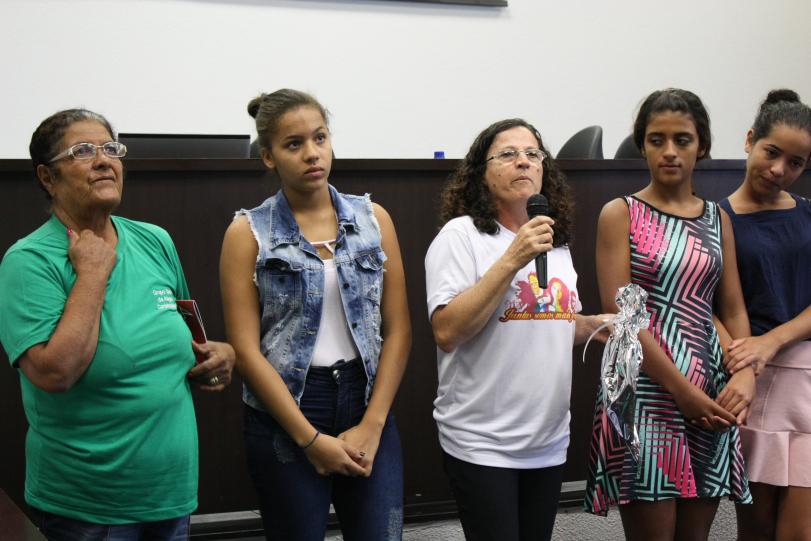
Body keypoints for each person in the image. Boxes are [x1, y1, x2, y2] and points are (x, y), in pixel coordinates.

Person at [0, 109, 235, 540]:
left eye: (111, 149)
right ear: (47, 177)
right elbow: (56, 373)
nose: (104, 160)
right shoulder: (28, 261)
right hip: (89, 508)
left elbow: (187, 334)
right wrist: (91, 275)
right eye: (82, 151)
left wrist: (219, 355)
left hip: (171, 495)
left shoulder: (155, 240)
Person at [219, 89, 411, 541]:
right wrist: (308, 438)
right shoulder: (247, 233)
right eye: (294, 144)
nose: (312, 153)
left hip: (366, 402)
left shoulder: (374, 219)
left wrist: (373, 424)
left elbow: (399, 329)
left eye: (320, 138)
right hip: (288, 410)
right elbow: (246, 351)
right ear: (268, 156)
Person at [424, 118, 610, 541]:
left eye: (532, 154)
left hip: (547, 441)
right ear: (482, 173)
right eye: (508, 154)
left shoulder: (555, 243)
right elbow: (447, 332)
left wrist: (597, 326)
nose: (523, 162)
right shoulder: (461, 236)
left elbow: (551, 323)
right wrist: (513, 258)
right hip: (483, 443)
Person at [584, 88, 756, 540]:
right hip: (646, 391)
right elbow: (623, 318)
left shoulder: (718, 219)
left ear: (702, 146)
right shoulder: (620, 213)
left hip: (709, 390)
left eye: (683, 139)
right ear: (642, 145)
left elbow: (732, 307)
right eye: (656, 140)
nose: (670, 151)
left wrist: (745, 373)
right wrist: (682, 392)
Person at [719, 89, 811, 541]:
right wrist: (744, 359)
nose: (779, 170)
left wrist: (772, 340)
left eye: (795, 163)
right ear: (750, 140)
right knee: (756, 528)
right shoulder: (716, 219)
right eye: (771, 152)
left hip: (806, 377)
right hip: (751, 380)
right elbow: (707, 304)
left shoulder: (808, 215)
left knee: (799, 530)